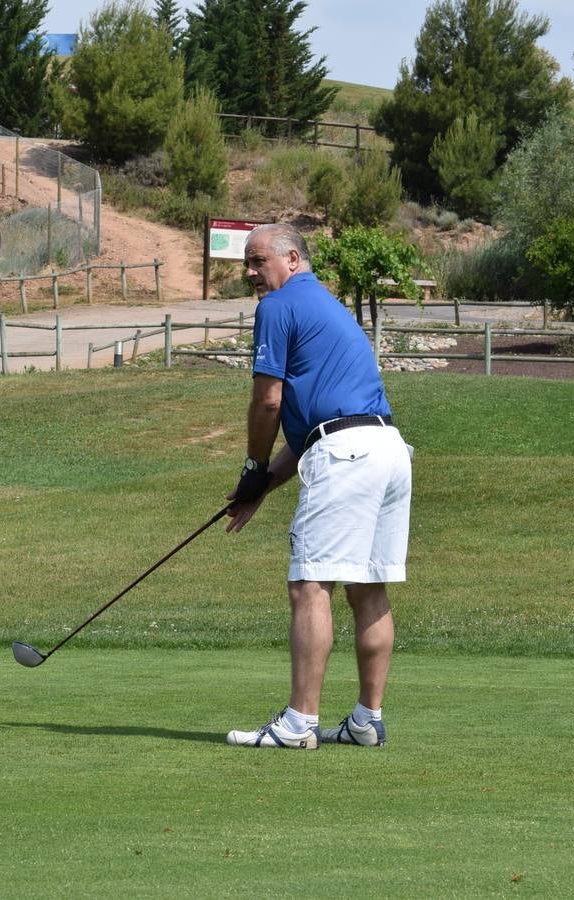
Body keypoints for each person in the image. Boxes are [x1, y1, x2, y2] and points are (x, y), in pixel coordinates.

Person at [223, 223, 413, 750]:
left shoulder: (278, 307)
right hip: (389, 450)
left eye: (259, 261)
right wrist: (263, 486)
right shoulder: (328, 306)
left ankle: (299, 722)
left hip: (346, 454)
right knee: (367, 587)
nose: (250, 272)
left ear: (292, 258)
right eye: (248, 262)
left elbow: (268, 402)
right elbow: (315, 432)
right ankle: (366, 720)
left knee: (310, 586)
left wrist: (252, 466)